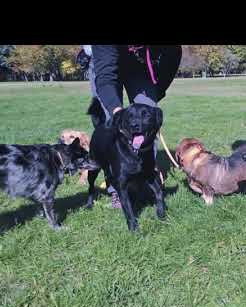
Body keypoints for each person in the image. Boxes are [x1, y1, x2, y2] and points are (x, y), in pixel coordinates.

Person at [78, 45, 182, 207]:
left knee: (147, 112)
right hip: (105, 64)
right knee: (109, 124)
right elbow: (105, 79)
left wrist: (157, 91)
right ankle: (117, 188)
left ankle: (145, 181)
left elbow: (172, 58)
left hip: (139, 65)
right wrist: (118, 112)